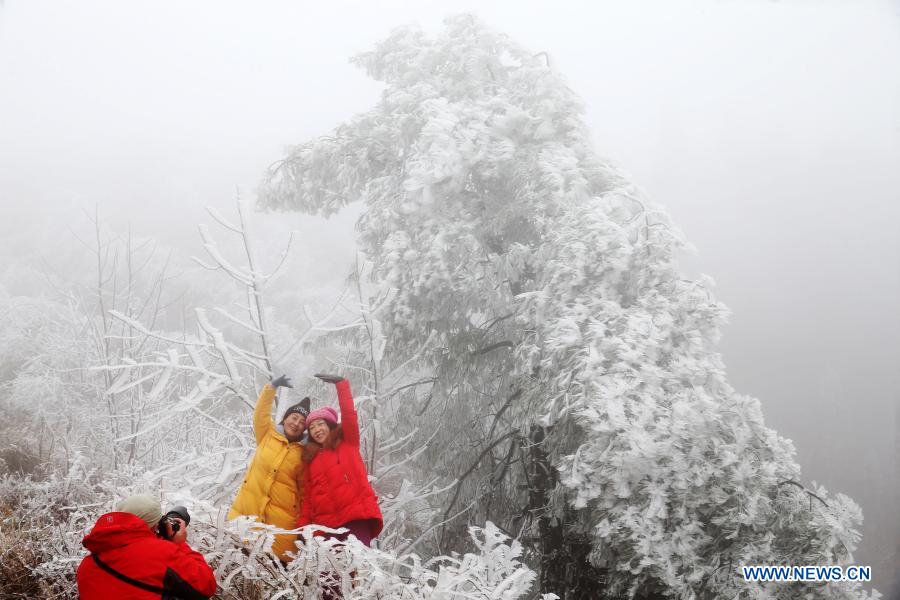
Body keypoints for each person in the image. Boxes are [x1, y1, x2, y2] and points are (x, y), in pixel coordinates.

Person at [227, 374, 309, 560]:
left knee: (272, 580)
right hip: (247, 517)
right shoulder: (267, 435)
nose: (296, 424)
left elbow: (305, 493)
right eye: (293, 417)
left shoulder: (305, 453)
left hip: (282, 529)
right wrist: (271, 388)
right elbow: (260, 413)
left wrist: (304, 529)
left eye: (301, 422)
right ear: (285, 418)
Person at [296, 373, 383, 547]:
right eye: (312, 427)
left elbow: (349, 414)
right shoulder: (310, 460)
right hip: (326, 527)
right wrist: (302, 529)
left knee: (356, 570)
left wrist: (341, 385)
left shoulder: (347, 443)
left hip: (356, 518)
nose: (316, 429)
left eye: (320, 424)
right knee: (330, 574)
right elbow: (308, 499)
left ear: (330, 425)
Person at [77, 494, 216, 599]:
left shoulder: (86, 565)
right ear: (156, 525)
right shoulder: (162, 553)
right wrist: (179, 544)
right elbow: (207, 585)